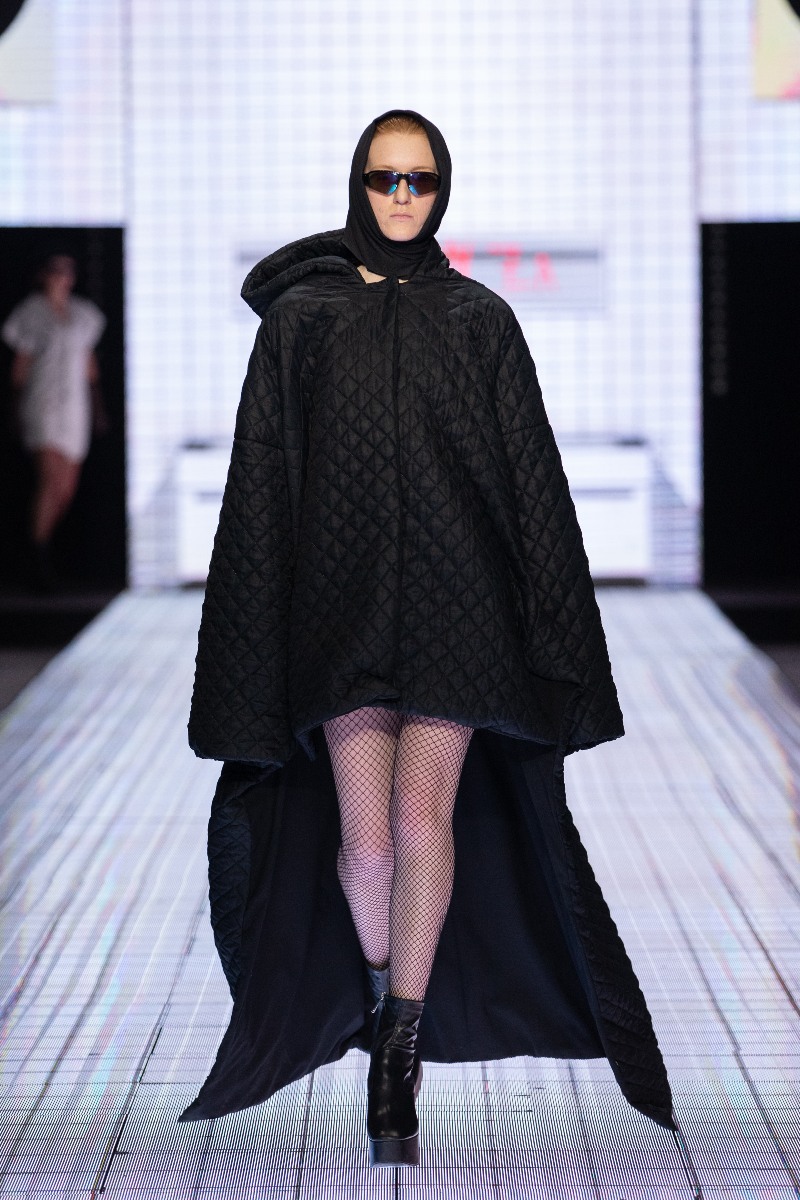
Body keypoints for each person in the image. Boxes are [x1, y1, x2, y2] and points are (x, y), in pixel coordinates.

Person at [179, 110, 675, 1166]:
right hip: (342, 610)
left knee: (418, 817)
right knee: (363, 848)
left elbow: (529, 478)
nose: (401, 197)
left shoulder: (479, 319)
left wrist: (556, 633)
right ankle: (382, 1003)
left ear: (442, 189)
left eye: (419, 180)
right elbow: (263, 481)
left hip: (459, 611)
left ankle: (396, 1052)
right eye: (383, 179)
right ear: (356, 185)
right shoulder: (300, 322)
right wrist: (252, 637)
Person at [2, 253, 106, 591]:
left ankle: (38, 548)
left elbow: (89, 364)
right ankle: (38, 559)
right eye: (56, 270)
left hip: (74, 407)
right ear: (43, 274)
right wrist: (14, 408)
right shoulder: (30, 313)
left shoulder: (83, 314)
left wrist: (98, 407)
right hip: (42, 403)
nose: (62, 276)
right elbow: (21, 365)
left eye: (67, 270)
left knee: (65, 489)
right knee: (49, 480)